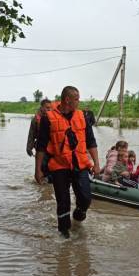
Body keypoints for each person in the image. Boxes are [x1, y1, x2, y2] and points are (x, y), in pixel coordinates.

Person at [35, 86, 100, 239]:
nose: (79, 102)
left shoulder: (83, 116)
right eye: (77, 99)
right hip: (59, 166)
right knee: (63, 202)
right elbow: (41, 146)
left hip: (81, 164)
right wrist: (38, 170)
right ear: (67, 100)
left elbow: (91, 141)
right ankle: (64, 236)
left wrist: (96, 163)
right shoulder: (48, 118)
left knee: (85, 199)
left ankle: (78, 217)